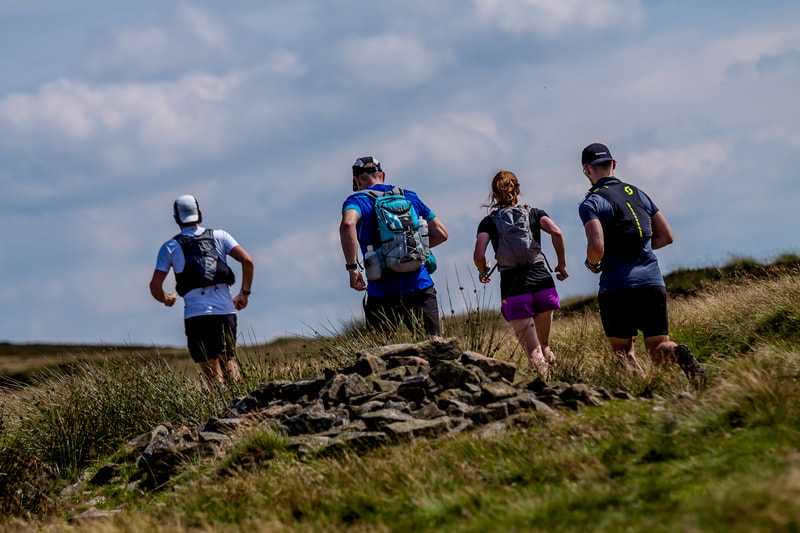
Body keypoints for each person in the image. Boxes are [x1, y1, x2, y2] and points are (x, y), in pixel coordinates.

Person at [578, 142, 705, 385]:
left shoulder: (591, 203)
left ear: (587, 170)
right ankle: (678, 353)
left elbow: (596, 247)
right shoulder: (638, 193)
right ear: (613, 165)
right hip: (652, 282)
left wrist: (592, 264)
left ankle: (639, 399)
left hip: (616, 286)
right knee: (658, 350)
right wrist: (639, 247)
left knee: (623, 353)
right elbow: (666, 236)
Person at [473, 170, 568, 378]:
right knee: (545, 347)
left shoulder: (489, 221)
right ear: (518, 190)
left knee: (534, 356)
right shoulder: (534, 213)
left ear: (495, 194)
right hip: (543, 283)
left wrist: (483, 270)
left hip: (514, 289)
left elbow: (479, 254)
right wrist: (561, 265)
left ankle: (549, 394)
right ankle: (566, 385)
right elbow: (557, 232)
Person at [149, 195, 254, 383]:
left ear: (176, 219)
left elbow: (155, 286)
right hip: (225, 311)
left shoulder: (170, 247)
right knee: (228, 360)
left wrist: (166, 299)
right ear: (200, 214)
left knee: (210, 369)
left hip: (196, 314)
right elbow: (247, 260)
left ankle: (222, 408)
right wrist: (244, 293)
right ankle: (243, 402)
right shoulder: (220, 236)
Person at [340, 156, 448, 338]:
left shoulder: (356, 201)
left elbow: (347, 225)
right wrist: (415, 251)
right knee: (433, 346)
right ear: (382, 175)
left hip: (382, 290)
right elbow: (441, 233)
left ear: (356, 180)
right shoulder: (408, 196)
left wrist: (352, 268)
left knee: (380, 354)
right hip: (420, 285)